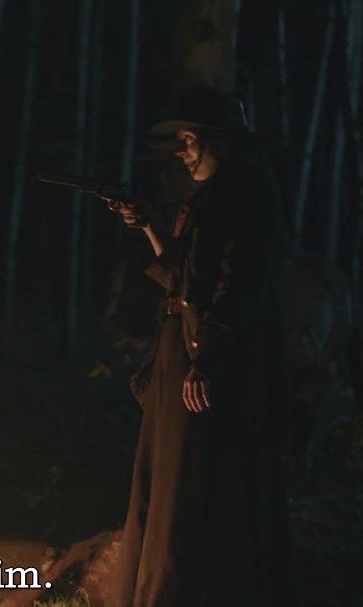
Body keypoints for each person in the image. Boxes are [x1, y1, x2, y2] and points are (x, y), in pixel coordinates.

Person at [112, 86, 289, 606]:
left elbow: (241, 283)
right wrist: (150, 226)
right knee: (168, 476)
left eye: (189, 139)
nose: (181, 151)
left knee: (196, 479)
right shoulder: (209, 199)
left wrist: (206, 358)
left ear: (221, 139)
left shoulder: (247, 193)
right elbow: (183, 278)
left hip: (210, 355)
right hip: (182, 350)